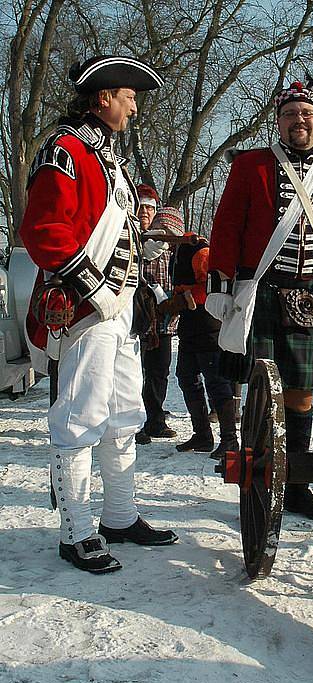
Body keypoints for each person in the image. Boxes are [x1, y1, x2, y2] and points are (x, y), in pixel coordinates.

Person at [20, 55, 178, 574]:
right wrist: (94, 288)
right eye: (129, 95)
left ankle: (118, 515)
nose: (135, 106)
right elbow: (44, 230)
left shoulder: (109, 160)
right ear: (104, 98)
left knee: (124, 413)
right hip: (87, 310)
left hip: (120, 308)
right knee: (81, 416)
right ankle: (77, 533)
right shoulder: (65, 150)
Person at [206, 76, 313, 521]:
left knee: (301, 394)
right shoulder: (251, 166)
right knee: (262, 389)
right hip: (260, 289)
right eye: (289, 115)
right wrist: (219, 283)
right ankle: (261, 474)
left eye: (306, 114)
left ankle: (296, 484)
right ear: (277, 123)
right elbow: (227, 225)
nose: (297, 121)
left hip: (312, 294)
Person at [171, 230, 239, 460]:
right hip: (189, 329)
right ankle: (202, 434)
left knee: (217, 384)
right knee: (186, 378)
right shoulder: (178, 252)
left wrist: (185, 297)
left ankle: (230, 440)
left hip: (209, 327)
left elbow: (213, 286)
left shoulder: (199, 250)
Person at [136, 192, 179, 444]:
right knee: (132, 374)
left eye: (149, 209)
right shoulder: (130, 239)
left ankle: (155, 421)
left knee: (158, 372)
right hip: (137, 320)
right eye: (141, 207)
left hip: (163, 320)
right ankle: (134, 423)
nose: (144, 212)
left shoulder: (166, 244)